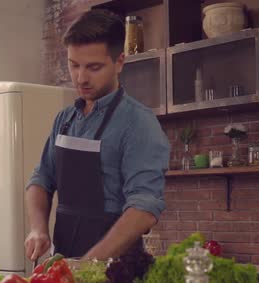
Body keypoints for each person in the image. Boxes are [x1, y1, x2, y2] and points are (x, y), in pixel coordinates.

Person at [24, 9, 169, 261]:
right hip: (64, 262)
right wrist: (38, 229)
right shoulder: (65, 119)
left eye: (94, 67)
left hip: (116, 269)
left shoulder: (138, 122)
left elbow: (144, 207)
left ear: (119, 62)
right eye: (74, 65)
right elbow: (41, 179)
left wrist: (88, 265)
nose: (81, 78)